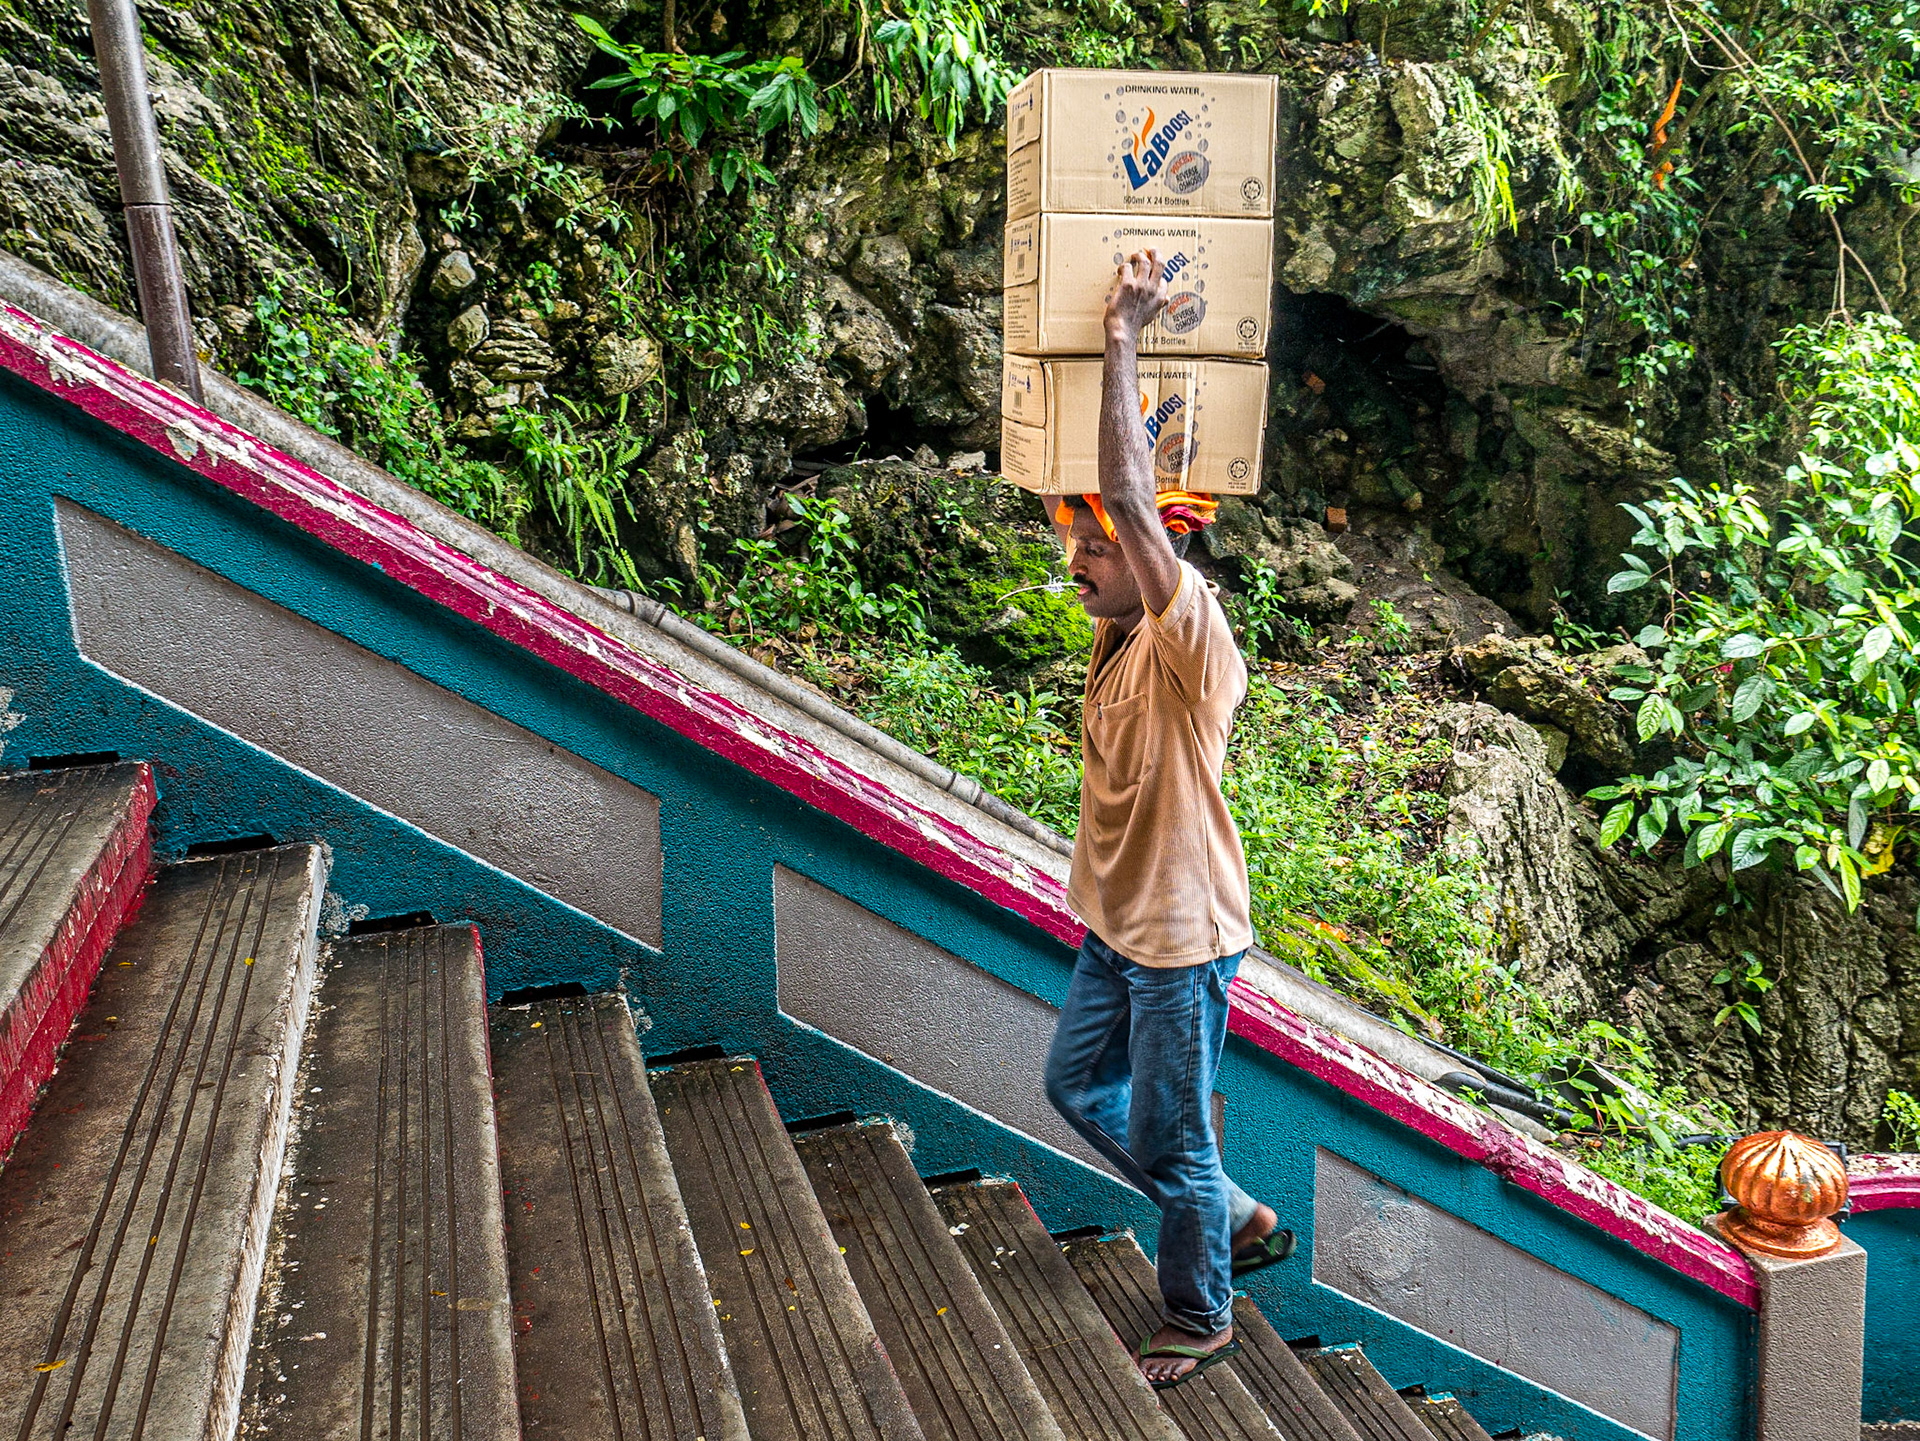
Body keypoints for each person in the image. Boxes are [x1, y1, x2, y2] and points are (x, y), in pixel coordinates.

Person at [1041, 248, 1293, 1392]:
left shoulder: (1192, 635)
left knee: (1175, 1141)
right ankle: (1230, 1211)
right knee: (1075, 1087)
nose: (1076, 558)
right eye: (1075, 539)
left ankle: (1203, 1310)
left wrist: (1123, 332)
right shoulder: (1115, 630)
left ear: (1154, 551)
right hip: (1117, 926)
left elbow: (1130, 497)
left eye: (1095, 545)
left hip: (1181, 945)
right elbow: (1097, 492)